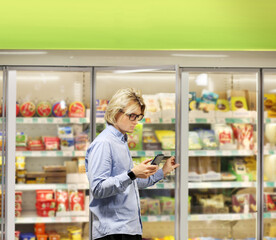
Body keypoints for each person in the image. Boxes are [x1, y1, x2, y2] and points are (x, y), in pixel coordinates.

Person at [85, 88, 180, 240]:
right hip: (113, 232)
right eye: (132, 116)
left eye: (139, 117)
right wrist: (132, 174)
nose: (136, 122)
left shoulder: (121, 141)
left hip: (127, 228)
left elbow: (130, 184)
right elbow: (97, 188)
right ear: (116, 112)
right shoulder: (104, 143)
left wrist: (163, 171)